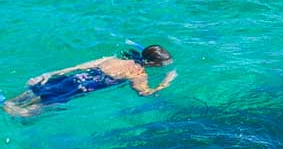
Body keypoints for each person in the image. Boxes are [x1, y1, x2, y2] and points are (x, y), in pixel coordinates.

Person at [3, 45, 176, 117]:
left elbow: (79, 66)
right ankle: (7, 108)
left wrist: (51, 73)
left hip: (71, 79)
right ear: (152, 63)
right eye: (162, 65)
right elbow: (145, 93)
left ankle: (6, 101)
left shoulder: (113, 59)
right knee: (29, 112)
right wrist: (166, 81)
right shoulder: (138, 74)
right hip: (82, 88)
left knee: (33, 94)